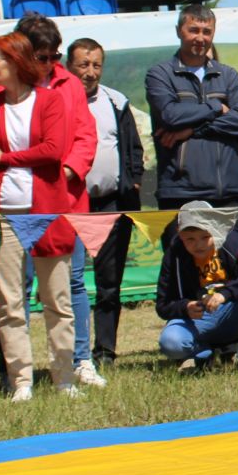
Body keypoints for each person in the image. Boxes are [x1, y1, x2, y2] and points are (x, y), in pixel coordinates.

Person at [0, 32, 78, 400]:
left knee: (57, 299)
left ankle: (64, 377)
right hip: (2, 217)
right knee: (10, 303)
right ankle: (22, 382)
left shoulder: (50, 100)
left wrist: (7, 158)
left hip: (46, 212)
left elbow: (53, 149)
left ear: (14, 61)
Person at [14, 13, 104, 388]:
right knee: (16, 289)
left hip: (64, 198)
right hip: (17, 200)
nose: (49, 64)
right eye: (41, 56)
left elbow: (86, 136)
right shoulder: (3, 83)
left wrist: (67, 172)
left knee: (73, 284)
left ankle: (78, 360)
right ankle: (18, 372)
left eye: (55, 56)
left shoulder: (69, 85)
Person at [68, 38, 142, 368]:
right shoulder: (58, 101)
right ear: (69, 65)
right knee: (71, 283)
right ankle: (75, 353)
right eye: (83, 64)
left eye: (96, 65)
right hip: (71, 205)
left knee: (109, 284)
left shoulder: (116, 101)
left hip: (112, 203)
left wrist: (133, 180)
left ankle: (105, 352)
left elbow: (134, 149)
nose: (90, 72)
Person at [147, 6, 238, 208]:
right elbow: (171, 116)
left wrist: (192, 130)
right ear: (179, 31)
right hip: (180, 191)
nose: (200, 38)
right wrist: (216, 106)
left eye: (207, 32)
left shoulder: (228, 75)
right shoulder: (160, 74)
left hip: (229, 191)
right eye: (193, 30)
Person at [155, 206, 238, 370]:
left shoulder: (231, 241)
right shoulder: (174, 255)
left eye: (205, 237)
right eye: (190, 239)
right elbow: (162, 305)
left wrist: (225, 294)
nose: (198, 245)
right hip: (200, 319)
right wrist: (185, 307)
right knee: (171, 342)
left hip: (235, 309)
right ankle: (202, 355)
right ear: (179, 234)